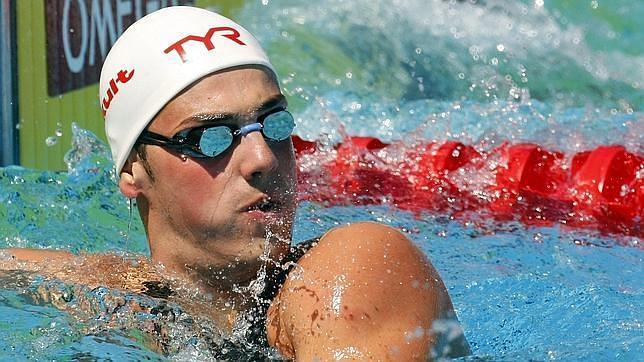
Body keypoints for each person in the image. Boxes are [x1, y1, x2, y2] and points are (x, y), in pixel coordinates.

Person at [6, 6, 469, 360]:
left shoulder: (354, 270)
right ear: (133, 171)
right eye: (210, 138)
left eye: (273, 123)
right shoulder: (131, 294)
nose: (262, 158)